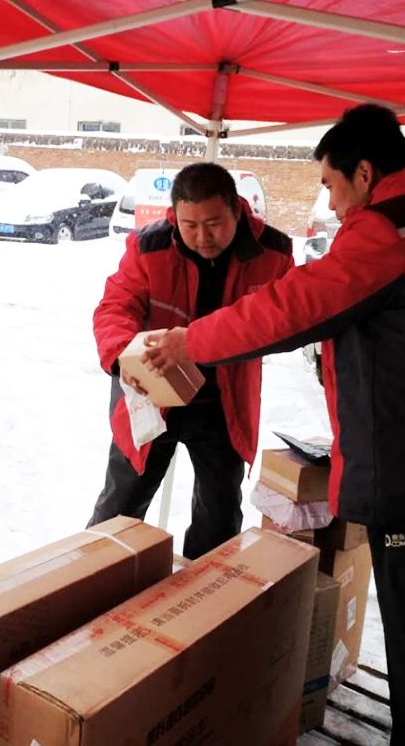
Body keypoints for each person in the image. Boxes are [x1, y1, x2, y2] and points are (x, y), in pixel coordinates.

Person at [144, 105, 405, 744]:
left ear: (365, 173)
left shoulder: (391, 229)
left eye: (330, 184)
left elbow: (292, 307)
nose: (331, 202)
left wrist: (191, 341)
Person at [88, 162, 293, 559]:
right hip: (151, 394)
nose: (203, 237)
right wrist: (123, 357)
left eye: (214, 223)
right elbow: (115, 306)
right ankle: (94, 579)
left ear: (237, 209)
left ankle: (203, 594)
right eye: (190, 225)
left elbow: (283, 322)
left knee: (219, 515)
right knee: (121, 505)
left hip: (223, 402)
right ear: (175, 216)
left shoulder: (273, 254)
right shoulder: (150, 247)